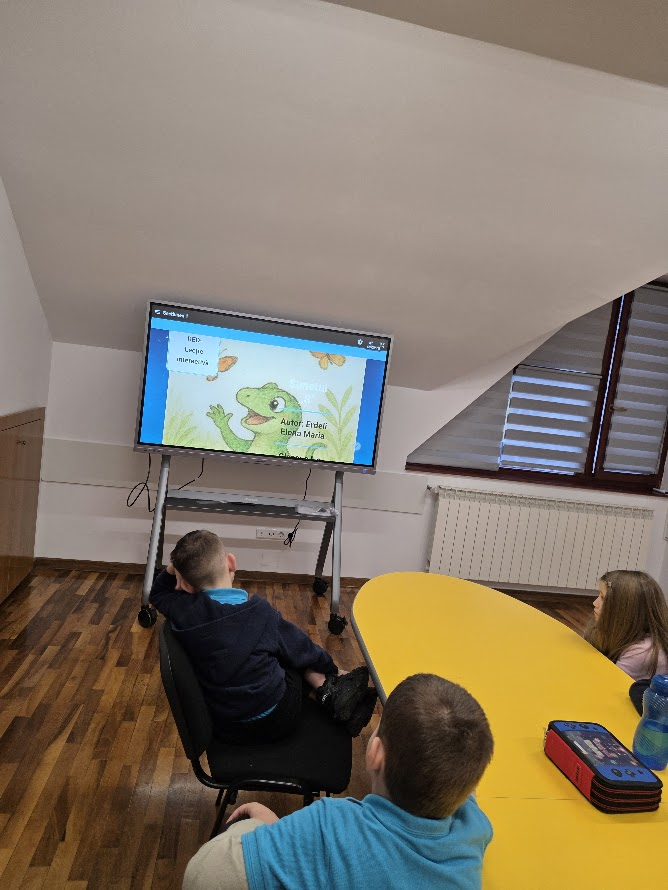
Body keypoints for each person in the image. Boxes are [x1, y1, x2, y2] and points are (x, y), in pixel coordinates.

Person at [182, 673, 495, 890]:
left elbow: (204, 875)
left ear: (375, 753)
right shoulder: (474, 829)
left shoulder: (330, 824)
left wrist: (263, 828)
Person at [150, 529, 377, 741]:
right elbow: (304, 649)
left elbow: (157, 593)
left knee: (269, 651)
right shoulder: (260, 614)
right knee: (288, 657)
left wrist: (178, 566)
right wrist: (332, 668)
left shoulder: (183, 611)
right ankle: (329, 689)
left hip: (226, 727)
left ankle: (329, 693)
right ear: (231, 562)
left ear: (184, 585)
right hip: (278, 720)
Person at [584, 570, 668, 681]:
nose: (595, 603)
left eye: (603, 598)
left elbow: (605, 683)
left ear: (625, 610)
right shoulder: (614, 630)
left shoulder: (643, 652)